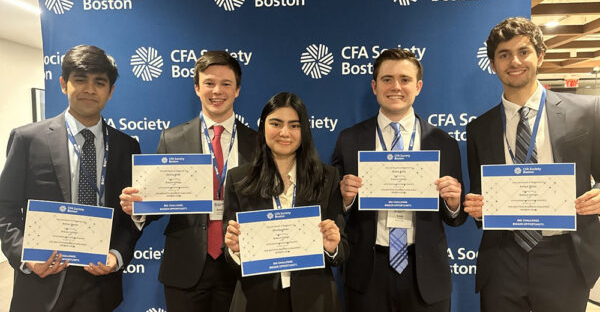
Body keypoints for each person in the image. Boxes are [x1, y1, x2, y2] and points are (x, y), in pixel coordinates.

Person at [463, 17, 600, 312]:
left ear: (540, 55)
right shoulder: (479, 129)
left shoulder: (586, 111)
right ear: (493, 64)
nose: (514, 61)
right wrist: (477, 207)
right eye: (503, 55)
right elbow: (480, 197)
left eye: (523, 51)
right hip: (502, 257)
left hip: (565, 255)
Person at [0, 45, 141, 312]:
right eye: (80, 80)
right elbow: (4, 210)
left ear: (110, 91)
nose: (90, 89)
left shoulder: (126, 146)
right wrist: (26, 258)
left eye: (99, 82)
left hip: (100, 285)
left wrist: (117, 255)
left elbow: (130, 218)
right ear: (64, 84)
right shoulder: (28, 139)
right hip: (42, 282)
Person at [119, 51, 257, 312]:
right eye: (209, 83)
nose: (217, 91)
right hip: (186, 267)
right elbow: (158, 203)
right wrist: (139, 208)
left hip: (242, 265)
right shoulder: (172, 139)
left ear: (237, 90)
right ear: (196, 88)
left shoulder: (259, 143)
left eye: (226, 84)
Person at [332, 48, 466, 312]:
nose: (396, 87)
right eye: (387, 79)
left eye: (404, 79)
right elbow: (333, 209)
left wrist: (452, 203)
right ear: (374, 86)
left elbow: (456, 218)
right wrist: (344, 199)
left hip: (425, 271)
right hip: (368, 272)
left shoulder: (443, 143)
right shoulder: (349, 139)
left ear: (418, 86)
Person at [223, 92, 348, 312]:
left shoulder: (327, 177)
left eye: (294, 125)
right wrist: (235, 251)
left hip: (315, 300)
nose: (284, 132)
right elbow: (230, 255)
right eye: (276, 123)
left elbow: (342, 250)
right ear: (263, 127)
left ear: (304, 131)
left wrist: (332, 247)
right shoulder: (238, 179)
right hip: (256, 299)